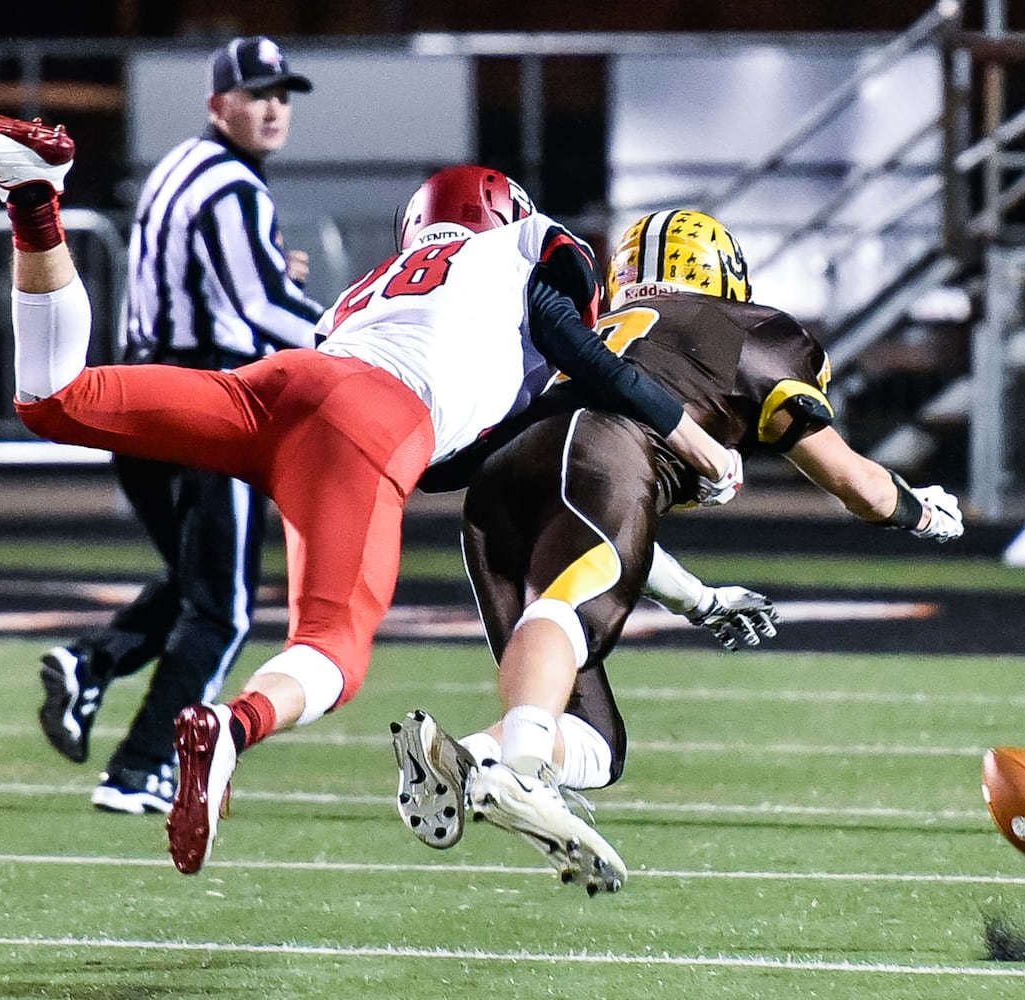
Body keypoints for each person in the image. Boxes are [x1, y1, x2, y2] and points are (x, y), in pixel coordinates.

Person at [0, 106, 745, 876]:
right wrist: (686, 430)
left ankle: (35, 201)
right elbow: (573, 344)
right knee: (335, 652)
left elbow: (445, 459)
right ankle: (230, 731)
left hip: (284, 388)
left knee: (54, 398)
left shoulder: (371, 288)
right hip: (369, 422)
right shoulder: (522, 248)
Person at [390, 208, 965, 893]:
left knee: (597, 741)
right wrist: (924, 512)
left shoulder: (594, 334)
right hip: (598, 462)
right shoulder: (748, 331)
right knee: (568, 609)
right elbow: (857, 485)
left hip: (496, 489)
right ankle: (518, 774)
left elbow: (591, 539)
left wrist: (701, 599)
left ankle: (473, 760)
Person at [36, 36, 325, 815]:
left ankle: (93, 663)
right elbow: (262, 306)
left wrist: (271, 274)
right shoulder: (233, 185)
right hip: (207, 405)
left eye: (282, 94)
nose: (273, 107)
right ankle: (142, 768)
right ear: (217, 103)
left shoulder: (179, 166)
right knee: (224, 607)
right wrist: (356, 338)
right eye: (258, 92)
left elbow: (230, 279)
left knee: (201, 582)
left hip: (144, 400)